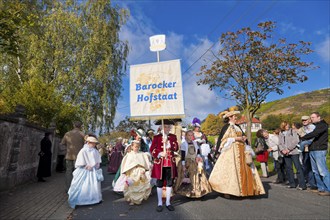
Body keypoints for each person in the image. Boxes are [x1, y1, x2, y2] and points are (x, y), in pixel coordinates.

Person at [209, 110, 265, 198]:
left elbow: (243, 137)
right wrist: (236, 139)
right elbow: (223, 140)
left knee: (246, 168)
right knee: (230, 170)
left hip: (242, 150)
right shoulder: (226, 127)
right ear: (230, 117)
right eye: (234, 116)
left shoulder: (238, 126)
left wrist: (244, 138)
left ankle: (247, 189)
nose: (236, 118)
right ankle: (227, 191)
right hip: (231, 151)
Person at [150, 119, 178, 212]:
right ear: (161, 127)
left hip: (170, 163)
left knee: (170, 182)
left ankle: (168, 202)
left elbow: (176, 148)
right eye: (165, 126)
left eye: (168, 126)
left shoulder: (173, 137)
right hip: (160, 164)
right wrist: (159, 153)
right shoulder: (156, 137)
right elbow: (152, 149)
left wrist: (168, 143)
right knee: (159, 183)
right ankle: (159, 203)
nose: (167, 128)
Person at [174, 130, 212, 198]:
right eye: (189, 135)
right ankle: (187, 191)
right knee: (186, 176)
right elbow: (183, 155)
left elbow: (197, 152)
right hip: (186, 161)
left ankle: (197, 191)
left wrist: (198, 157)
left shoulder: (195, 143)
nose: (191, 136)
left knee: (197, 175)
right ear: (186, 136)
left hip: (194, 161)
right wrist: (183, 165)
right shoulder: (183, 144)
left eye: (192, 135)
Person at [68, 136, 103, 209]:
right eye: (92, 143)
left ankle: (94, 199)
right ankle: (82, 200)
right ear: (88, 142)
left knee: (93, 185)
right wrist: (85, 165)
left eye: (94, 143)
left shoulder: (95, 151)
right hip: (84, 170)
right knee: (83, 185)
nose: (94, 145)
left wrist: (96, 166)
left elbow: (98, 161)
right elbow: (80, 161)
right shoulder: (83, 150)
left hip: (92, 171)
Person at [300, 112, 330, 196]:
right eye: (311, 117)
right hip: (312, 149)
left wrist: (303, 137)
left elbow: (315, 133)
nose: (311, 119)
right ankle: (321, 188)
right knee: (315, 171)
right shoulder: (315, 125)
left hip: (320, 150)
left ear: (319, 117)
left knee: (323, 171)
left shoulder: (322, 125)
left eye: (313, 117)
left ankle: (328, 189)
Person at [121, 140, 152, 205]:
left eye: (138, 147)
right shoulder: (129, 155)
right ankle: (132, 200)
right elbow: (127, 164)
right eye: (135, 147)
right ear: (132, 147)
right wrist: (127, 173)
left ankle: (139, 199)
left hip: (140, 171)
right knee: (132, 186)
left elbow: (144, 163)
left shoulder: (141, 154)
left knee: (140, 185)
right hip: (132, 172)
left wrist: (143, 169)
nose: (136, 148)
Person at [278, 121, 307, 190]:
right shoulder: (281, 133)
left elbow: (296, 141)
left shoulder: (293, 131)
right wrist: (282, 150)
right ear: (283, 126)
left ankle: (302, 185)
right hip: (285, 153)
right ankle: (292, 184)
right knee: (289, 168)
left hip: (294, 152)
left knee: (298, 168)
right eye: (286, 125)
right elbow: (280, 143)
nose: (288, 126)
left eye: (288, 124)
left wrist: (288, 149)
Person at [61, 121, 85, 192]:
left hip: (69, 155)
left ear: (73, 125)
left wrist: (68, 146)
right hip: (79, 157)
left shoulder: (67, 134)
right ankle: (76, 188)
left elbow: (62, 143)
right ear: (80, 126)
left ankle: (68, 188)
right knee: (77, 173)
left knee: (68, 172)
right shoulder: (82, 134)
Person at [297, 116, 317, 190]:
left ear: (309, 120)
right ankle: (310, 182)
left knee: (311, 167)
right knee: (306, 166)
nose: (304, 121)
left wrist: (304, 138)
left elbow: (312, 136)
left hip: (311, 148)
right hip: (305, 149)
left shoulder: (312, 126)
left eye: (305, 120)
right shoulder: (303, 128)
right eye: (303, 120)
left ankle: (313, 184)